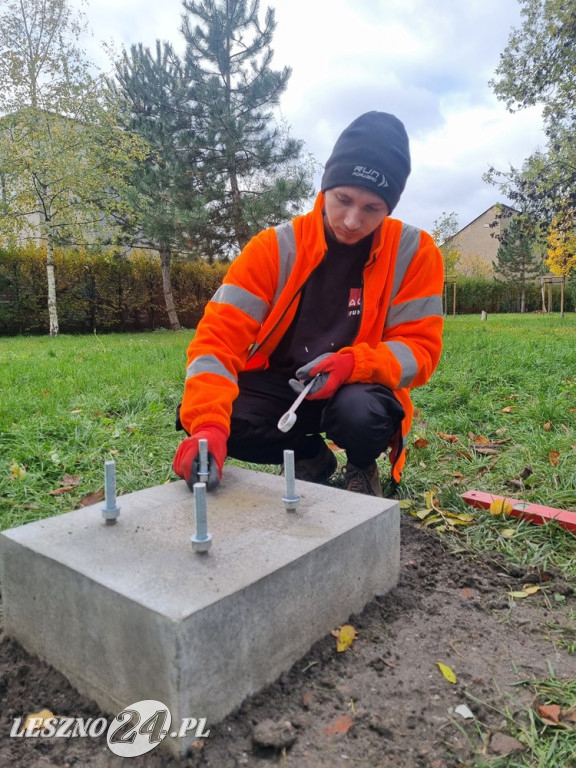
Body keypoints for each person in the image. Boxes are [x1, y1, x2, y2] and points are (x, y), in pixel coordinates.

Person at [173, 111, 444, 497]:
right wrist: (207, 427)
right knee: (215, 414)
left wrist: (353, 365)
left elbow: (420, 351)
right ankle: (310, 456)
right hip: (283, 385)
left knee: (362, 414)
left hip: (356, 389)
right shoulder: (273, 248)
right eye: (343, 200)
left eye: (372, 208)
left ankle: (361, 464)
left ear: (390, 208)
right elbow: (217, 341)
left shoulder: (414, 253)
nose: (352, 221)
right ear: (325, 188)